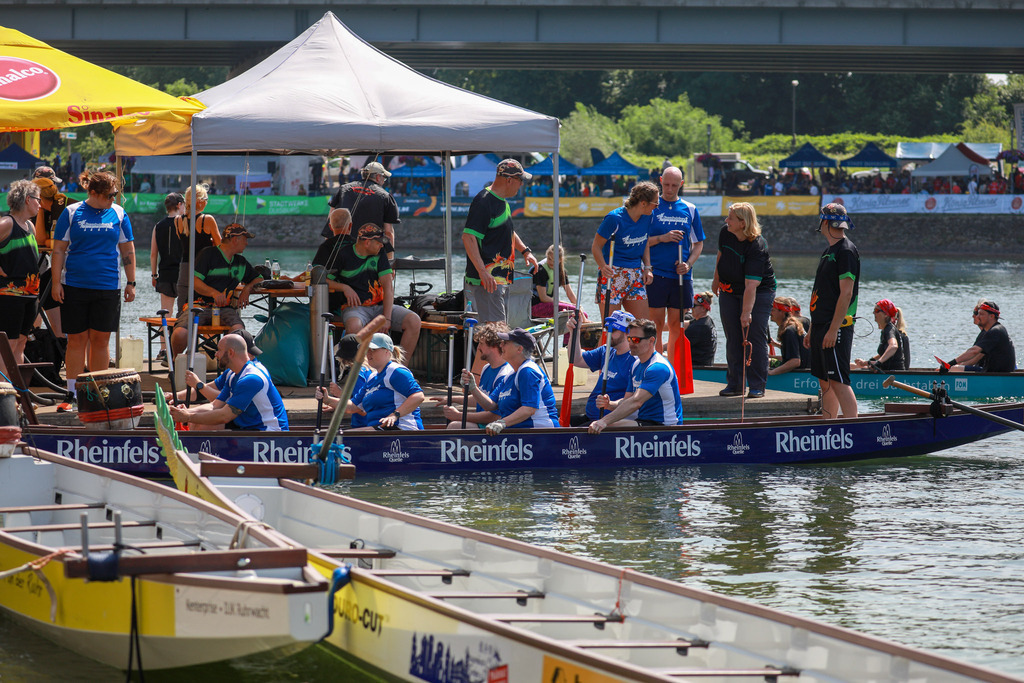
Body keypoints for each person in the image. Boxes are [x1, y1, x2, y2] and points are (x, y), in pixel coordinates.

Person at [51, 171, 136, 412]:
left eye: (115, 194)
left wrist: (132, 282)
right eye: (109, 195)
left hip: (107, 286)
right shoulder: (71, 212)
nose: (113, 198)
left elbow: (128, 250)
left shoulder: (118, 213)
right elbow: (58, 251)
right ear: (93, 193)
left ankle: (99, 393)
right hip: (75, 285)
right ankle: (73, 393)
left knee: (101, 340)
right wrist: (56, 283)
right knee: (76, 341)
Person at [314, 223, 420, 359]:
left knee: (414, 320)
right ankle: (359, 371)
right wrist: (345, 287)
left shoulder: (380, 254)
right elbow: (324, 280)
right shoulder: (342, 255)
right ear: (367, 242)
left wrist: (387, 318)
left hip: (381, 307)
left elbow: (388, 288)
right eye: (379, 242)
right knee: (354, 327)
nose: (382, 246)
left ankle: (398, 370)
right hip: (355, 308)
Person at [462, 159, 539, 326]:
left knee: (494, 334)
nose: (521, 186)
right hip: (488, 281)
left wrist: (525, 251)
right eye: (520, 181)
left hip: (499, 279)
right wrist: (483, 272)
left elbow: (508, 231)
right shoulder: (484, 201)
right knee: (496, 335)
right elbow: (468, 237)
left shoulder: (501, 201)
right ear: (509, 180)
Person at [711, 202, 776, 399]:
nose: (726, 221)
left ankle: (757, 385)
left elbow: (751, 285)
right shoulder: (726, 232)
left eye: (730, 218)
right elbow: (721, 255)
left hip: (759, 291)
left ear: (742, 222)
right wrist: (716, 279)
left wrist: (746, 313)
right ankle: (735, 384)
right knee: (733, 336)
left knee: (753, 336)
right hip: (730, 289)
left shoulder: (757, 245)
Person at [170, 224, 263, 357]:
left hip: (225, 309)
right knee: (180, 333)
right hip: (198, 306)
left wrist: (247, 288)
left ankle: (228, 367)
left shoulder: (241, 262)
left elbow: (259, 278)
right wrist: (213, 293)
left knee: (238, 332)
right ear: (235, 239)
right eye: (245, 239)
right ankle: (175, 362)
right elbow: (195, 282)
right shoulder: (208, 254)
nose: (247, 243)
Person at [804, 203, 861, 418]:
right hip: (821, 325)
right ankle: (829, 427)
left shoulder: (846, 251)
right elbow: (822, 292)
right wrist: (812, 329)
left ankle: (853, 429)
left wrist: (832, 329)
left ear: (825, 222)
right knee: (825, 382)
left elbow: (846, 294)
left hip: (836, 326)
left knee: (838, 380)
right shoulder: (829, 251)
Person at [445, 327, 559, 433]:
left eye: (505, 343)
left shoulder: (528, 371)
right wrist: (473, 388)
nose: (501, 345)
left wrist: (502, 422)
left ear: (519, 349)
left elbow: (529, 409)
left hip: (540, 433)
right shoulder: (510, 374)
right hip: (519, 434)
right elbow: (491, 405)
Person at [168, 334, 288, 431]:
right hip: (250, 427)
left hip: (270, 433)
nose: (216, 354)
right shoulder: (232, 374)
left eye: (219, 350)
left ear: (230, 352)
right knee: (197, 422)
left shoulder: (251, 379)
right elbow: (215, 405)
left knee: (201, 422)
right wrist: (185, 413)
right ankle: (192, 455)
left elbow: (225, 416)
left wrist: (188, 416)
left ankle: (194, 455)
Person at [588, 318, 683, 434]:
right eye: (629, 339)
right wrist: (609, 404)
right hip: (645, 421)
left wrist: (603, 421)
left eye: (636, 340)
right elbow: (627, 401)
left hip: (665, 427)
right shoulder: (636, 365)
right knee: (606, 425)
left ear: (651, 341)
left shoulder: (657, 368)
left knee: (607, 426)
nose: (631, 344)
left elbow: (636, 402)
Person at [648, 167, 705, 357]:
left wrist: (688, 264)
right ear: (660, 181)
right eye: (666, 184)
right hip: (655, 274)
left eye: (674, 185)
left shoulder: (690, 209)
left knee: (675, 325)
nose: (669, 189)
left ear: (681, 185)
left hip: (681, 276)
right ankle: (654, 369)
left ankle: (671, 371)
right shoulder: (651, 207)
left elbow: (698, 244)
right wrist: (662, 238)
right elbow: (640, 242)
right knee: (654, 325)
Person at [592, 181, 658, 321]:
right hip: (613, 274)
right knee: (610, 330)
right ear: (643, 203)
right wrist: (603, 266)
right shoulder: (614, 219)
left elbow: (645, 241)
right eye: (655, 203)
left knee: (643, 327)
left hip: (636, 274)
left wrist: (647, 267)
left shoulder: (648, 217)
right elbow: (596, 246)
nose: (657, 207)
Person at [564, 310, 637, 426]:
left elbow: (633, 400)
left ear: (628, 333)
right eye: (608, 329)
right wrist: (575, 331)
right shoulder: (605, 351)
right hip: (590, 417)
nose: (609, 333)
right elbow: (577, 360)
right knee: (556, 425)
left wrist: (610, 404)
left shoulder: (635, 362)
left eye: (614, 330)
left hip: (609, 423)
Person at [436, 322, 513, 429]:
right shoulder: (486, 368)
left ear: (495, 346)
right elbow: (481, 398)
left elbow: (495, 415)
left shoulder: (504, 374)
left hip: (494, 427)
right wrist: (452, 398)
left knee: (454, 427)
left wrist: (459, 416)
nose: (478, 348)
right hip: (484, 425)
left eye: (481, 343)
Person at [0, 180, 42, 363]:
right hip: (9, 295)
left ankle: (17, 389)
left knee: (21, 343)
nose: (40, 205)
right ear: (27, 199)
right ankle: (3, 389)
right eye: (38, 200)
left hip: (30, 295)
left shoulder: (30, 227)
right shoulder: (7, 223)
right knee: (8, 345)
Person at [349, 333, 424, 430]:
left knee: (343, 439)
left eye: (373, 350)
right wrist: (327, 399)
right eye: (367, 350)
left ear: (387, 352)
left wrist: (395, 415)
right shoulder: (372, 377)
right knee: (339, 437)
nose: (369, 354)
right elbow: (352, 407)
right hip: (381, 428)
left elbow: (418, 396)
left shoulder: (396, 371)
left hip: (402, 428)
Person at [323, 161, 400, 249]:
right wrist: (389, 259)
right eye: (384, 178)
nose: (384, 181)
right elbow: (388, 232)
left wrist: (327, 249)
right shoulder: (385, 196)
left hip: (342, 249)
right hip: (369, 251)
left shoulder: (343, 189)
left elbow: (332, 220)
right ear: (378, 177)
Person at [174, 184, 221, 314]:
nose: (206, 202)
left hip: (184, 269)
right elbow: (220, 247)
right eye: (206, 199)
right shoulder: (207, 219)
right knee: (204, 310)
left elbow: (185, 242)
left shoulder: (178, 220)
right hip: (202, 269)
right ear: (199, 201)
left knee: (182, 311)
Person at [150, 192, 184, 364]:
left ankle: (164, 349)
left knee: (166, 313)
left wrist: (153, 274)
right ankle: (181, 349)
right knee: (185, 312)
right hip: (182, 274)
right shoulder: (184, 223)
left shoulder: (158, 226)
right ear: (179, 205)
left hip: (164, 273)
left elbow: (153, 254)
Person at [316, 334, 375, 428]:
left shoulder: (357, 374)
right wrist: (336, 403)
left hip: (363, 426)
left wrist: (340, 395)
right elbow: (357, 399)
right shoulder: (367, 370)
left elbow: (362, 408)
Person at [943, 300, 1016, 373]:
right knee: (954, 368)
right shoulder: (990, 332)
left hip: (999, 376)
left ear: (991, 316)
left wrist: (950, 364)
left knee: (953, 369)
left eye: (981, 314)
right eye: (977, 314)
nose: (977, 316)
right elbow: (973, 354)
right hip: (991, 372)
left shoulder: (996, 331)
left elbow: (974, 351)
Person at [531, 244, 586, 321]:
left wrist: (578, 306)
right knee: (574, 312)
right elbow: (543, 298)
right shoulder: (541, 270)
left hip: (547, 304)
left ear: (560, 260)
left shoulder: (561, 271)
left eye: (554, 260)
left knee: (581, 312)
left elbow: (570, 294)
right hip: (534, 307)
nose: (551, 262)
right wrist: (568, 304)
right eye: (549, 259)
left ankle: (579, 330)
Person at [854, 298, 909, 372]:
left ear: (886, 314)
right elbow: (885, 353)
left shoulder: (889, 329)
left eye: (877, 311)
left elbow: (893, 346)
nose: (873, 313)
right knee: (851, 366)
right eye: (874, 311)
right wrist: (870, 361)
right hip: (886, 370)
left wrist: (878, 363)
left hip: (893, 374)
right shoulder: (885, 330)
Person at [769, 296, 809, 375]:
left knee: (762, 362)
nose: (770, 313)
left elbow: (795, 362)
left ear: (782, 312)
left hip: (799, 374)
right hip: (807, 368)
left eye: (773, 310)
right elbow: (793, 355)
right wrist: (772, 353)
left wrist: (771, 373)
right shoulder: (796, 325)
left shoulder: (788, 331)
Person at [684, 292, 718, 366]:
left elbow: (675, 346)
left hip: (696, 366)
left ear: (703, 308)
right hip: (706, 364)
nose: (691, 308)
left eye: (694, 306)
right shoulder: (707, 320)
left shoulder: (699, 327)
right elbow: (681, 324)